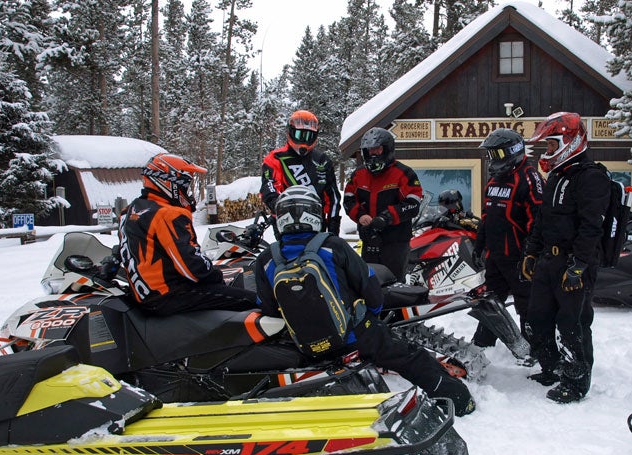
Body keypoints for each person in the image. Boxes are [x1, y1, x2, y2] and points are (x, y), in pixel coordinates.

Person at [255, 185, 476, 417]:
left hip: (306, 344)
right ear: (314, 213)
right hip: (353, 335)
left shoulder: (267, 259)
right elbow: (370, 288)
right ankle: (460, 402)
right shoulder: (332, 245)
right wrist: (370, 317)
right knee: (410, 356)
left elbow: (268, 307)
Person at [521, 112, 610, 403]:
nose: (547, 151)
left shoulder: (591, 177)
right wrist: (532, 252)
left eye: (550, 144)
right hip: (548, 259)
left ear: (569, 141)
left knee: (573, 323)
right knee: (537, 318)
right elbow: (542, 219)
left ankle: (575, 382)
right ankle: (552, 367)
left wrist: (579, 265)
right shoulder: (557, 175)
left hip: (573, 262)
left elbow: (591, 226)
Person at [118, 153, 257, 315]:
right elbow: (191, 266)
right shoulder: (168, 214)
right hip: (170, 294)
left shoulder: (129, 211)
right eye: (185, 184)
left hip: (147, 294)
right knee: (255, 300)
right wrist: (217, 277)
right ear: (167, 182)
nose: (188, 191)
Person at [472, 128, 543, 348]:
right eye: (491, 154)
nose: (492, 159)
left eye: (497, 153)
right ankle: (481, 344)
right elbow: (487, 217)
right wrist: (479, 246)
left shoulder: (529, 177)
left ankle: (535, 348)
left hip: (519, 257)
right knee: (489, 302)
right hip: (495, 255)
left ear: (512, 152)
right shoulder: (493, 182)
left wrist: (530, 253)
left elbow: (539, 219)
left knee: (527, 305)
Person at [344, 127, 423, 282]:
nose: (373, 154)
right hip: (369, 241)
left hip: (396, 243)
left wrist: (387, 217)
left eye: (377, 150)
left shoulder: (404, 173)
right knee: (369, 284)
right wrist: (360, 216)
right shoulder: (358, 175)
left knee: (395, 284)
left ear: (387, 149)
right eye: (369, 151)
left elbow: (413, 203)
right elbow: (348, 199)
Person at [261, 109, 341, 235]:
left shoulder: (322, 160)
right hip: (285, 222)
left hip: (316, 222)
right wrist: (278, 205)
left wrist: (333, 224)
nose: (304, 141)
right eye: (300, 135)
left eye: (309, 136)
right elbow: (269, 187)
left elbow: (333, 197)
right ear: (290, 132)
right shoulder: (275, 158)